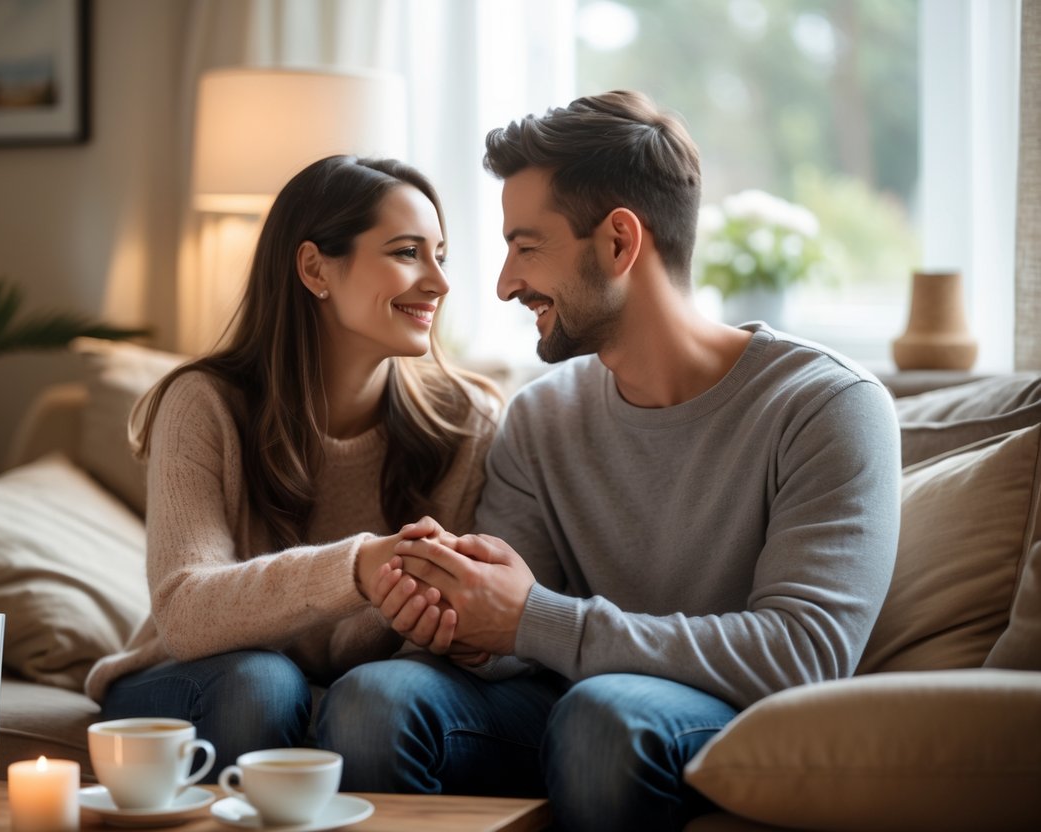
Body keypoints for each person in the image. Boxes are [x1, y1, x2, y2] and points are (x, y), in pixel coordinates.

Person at [317, 91, 901, 830]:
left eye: (527, 247)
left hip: (717, 715)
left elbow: (803, 653)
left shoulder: (827, 406)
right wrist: (455, 615)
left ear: (620, 243)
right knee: (373, 698)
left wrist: (534, 619)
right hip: (567, 700)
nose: (504, 283)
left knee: (603, 716)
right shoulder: (540, 415)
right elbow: (513, 636)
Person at [83, 155, 501, 771]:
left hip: (351, 692)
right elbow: (185, 613)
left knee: (364, 701)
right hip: (193, 677)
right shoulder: (203, 403)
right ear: (314, 268)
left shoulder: (464, 421)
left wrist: (415, 613)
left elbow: (426, 644)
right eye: (408, 253)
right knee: (263, 686)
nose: (438, 282)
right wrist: (358, 568)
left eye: (441, 256)